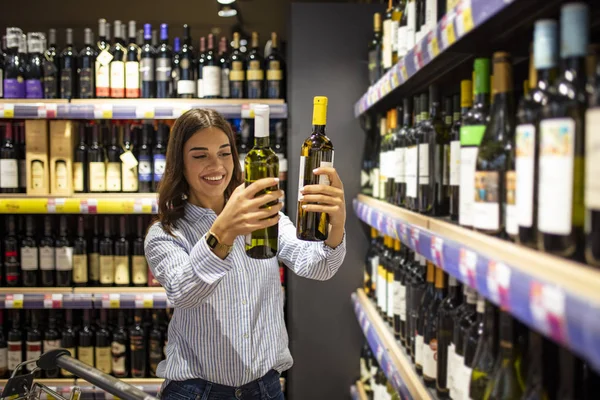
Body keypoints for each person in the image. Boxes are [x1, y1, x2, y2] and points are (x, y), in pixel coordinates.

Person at [145, 109, 347, 400]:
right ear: (180, 163)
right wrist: (224, 230)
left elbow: (319, 266)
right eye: (200, 155)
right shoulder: (166, 233)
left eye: (224, 153)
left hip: (265, 390)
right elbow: (183, 292)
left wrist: (336, 221)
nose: (216, 166)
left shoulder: (264, 216)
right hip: (196, 392)